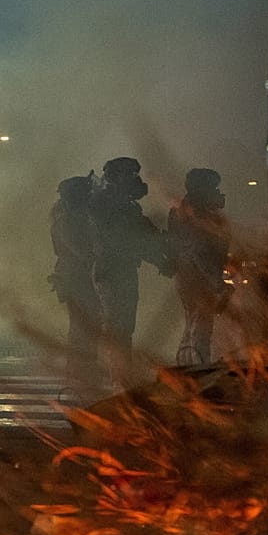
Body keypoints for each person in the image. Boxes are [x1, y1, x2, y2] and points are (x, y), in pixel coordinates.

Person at [89, 157, 167, 387]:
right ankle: (118, 379)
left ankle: (122, 377)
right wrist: (159, 259)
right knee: (117, 328)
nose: (135, 180)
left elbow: (145, 235)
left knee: (125, 328)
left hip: (124, 271)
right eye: (130, 175)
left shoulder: (126, 205)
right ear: (116, 177)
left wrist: (164, 250)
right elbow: (127, 239)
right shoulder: (104, 204)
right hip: (111, 271)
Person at [167, 168, 232, 365]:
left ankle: (187, 366)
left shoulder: (184, 212)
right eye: (213, 188)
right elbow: (199, 251)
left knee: (192, 324)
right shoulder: (195, 215)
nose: (217, 192)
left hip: (189, 276)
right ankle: (198, 367)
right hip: (198, 278)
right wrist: (217, 282)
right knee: (201, 327)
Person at [49, 174, 103, 392]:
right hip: (77, 277)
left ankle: (82, 366)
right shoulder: (67, 222)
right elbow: (80, 250)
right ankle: (80, 368)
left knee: (85, 323)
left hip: (77, 276)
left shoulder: (71, 218)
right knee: (82, 324)